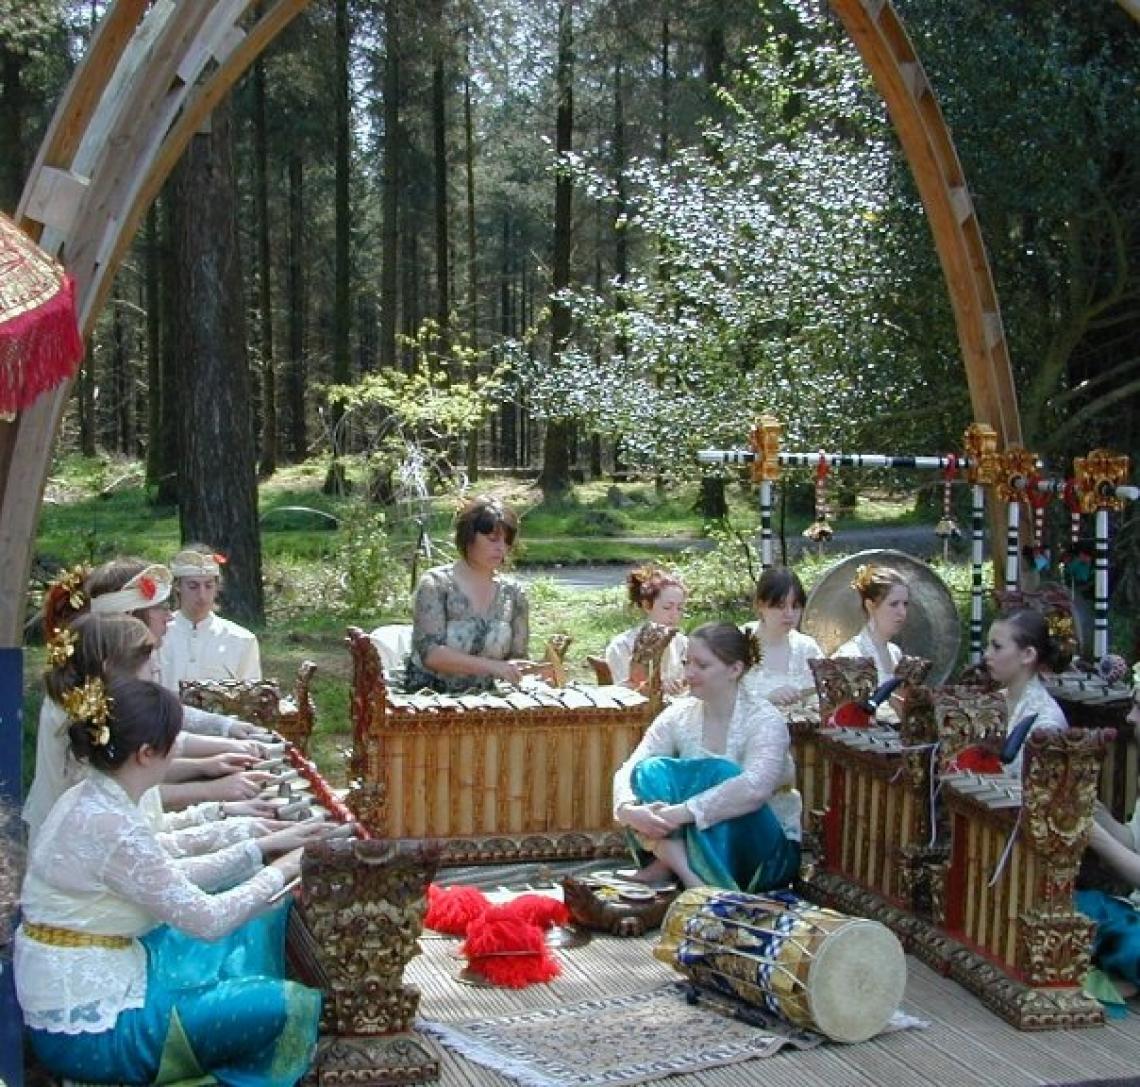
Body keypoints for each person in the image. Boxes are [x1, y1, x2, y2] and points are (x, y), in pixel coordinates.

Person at [14, 677, 333, 1086]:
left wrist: (260, 845)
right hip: (92, 1033)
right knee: (284, 1004)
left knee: (248, 911)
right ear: (146, 754)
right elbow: (208, 919)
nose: (177, 750)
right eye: (172, 743)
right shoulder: (108, 819)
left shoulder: (92, 796)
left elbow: (164, 869)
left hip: (94, 983)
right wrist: (285, 866)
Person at [23, 613, 275, 843]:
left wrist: (211, 763)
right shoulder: (86, 721)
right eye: (146, 658)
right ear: (111, 666)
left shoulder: (94, 702)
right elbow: (154, 844)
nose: (156, 667)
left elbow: (149, 804)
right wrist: (213, 792)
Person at [612, 622, 801, 892]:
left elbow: (754, 789)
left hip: (764, 853)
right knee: (648, 769)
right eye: (687, 662)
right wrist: (628, 810)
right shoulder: (679, 714)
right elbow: (632, 766)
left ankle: (680, 867)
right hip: (688, 837)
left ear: (735, 669)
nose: (689, 673)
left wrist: (676, 815)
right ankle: (680, 865)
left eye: (702, 666)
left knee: (722, 774)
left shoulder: (765, 720)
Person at [405, 495, 537, 692]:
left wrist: (539, 670)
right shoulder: (436, 584)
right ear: (468, 537)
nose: (501, 548)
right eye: (492, 539)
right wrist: (493, 667)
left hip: (492, 702)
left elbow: (517, 660)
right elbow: (430, 654)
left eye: (507, 541)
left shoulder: (514, 593)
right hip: (431, 700)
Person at [158, 546, 262, 690]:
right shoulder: (158, 637)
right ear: (177, 587)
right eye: (193, 586)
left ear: (217, 587)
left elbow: (251, 698)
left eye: (208, 586)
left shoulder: (241, 640)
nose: (202, 595)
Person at [982, 607, 1068, 774]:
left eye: (997, 647)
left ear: (1027, 654)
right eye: (988, 646)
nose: (987, 655)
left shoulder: (1047, 722)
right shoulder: (993, 701)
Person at [741, 566, 822, 708]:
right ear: (760, 605)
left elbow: (823, 700)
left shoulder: (807, 648)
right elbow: (719, 698)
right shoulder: (738, 642)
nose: (789, 614)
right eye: (780, 606)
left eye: (795, 606)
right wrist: (766, 700)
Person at [605, 565, 688, 695]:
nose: (674, 615)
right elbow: (619, 693)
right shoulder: (622, 645)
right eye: (667, 607)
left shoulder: (683, 644)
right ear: (647, 606)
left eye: (680, 608)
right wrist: (656, 688)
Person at [833, 563, 909, 683]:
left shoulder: (895, 653)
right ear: (870, 606)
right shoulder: (851, 655)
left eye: (905, 604)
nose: (902, 612)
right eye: (893, 604)